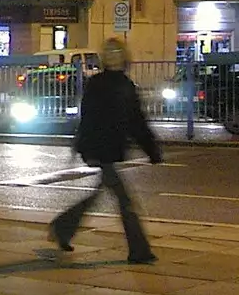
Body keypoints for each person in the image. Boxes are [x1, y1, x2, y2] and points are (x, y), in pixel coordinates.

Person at [47, 37, 162, 264]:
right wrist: (151, 149)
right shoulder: (110, 84)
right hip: (102, 149)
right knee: (125, 202)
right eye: (111, 52)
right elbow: (98, 119)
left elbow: (133, 121)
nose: (114, 56)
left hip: (105, 148)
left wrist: (151, 148)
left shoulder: (115, 85)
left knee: (101, 195)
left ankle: (63, 227)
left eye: (115, 52)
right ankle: (139, 250)